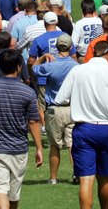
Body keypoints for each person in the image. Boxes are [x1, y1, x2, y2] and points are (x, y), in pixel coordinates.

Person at [56, 41, 108, 209]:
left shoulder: (77, 70)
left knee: (86, 178)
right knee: (105, 177)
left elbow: (60, 98)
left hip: (84, 128)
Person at [0, 49, 43, 209]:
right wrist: (39, 148)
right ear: (19, 67)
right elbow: (33, 122)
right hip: (19, 150)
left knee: (1, 192)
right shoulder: (28, 92)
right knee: (12, 195)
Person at [32, 34, 78, 184]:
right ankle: (77, 174)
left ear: (57, 47)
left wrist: (43, 57)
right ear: (70, 48)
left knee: (54, 145)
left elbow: (34, 68)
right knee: (72, 145)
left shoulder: (50, 65)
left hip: (54, 109)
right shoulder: (75, 66)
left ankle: (53, 178)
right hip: (72, 109)